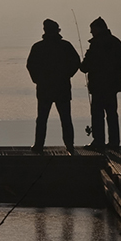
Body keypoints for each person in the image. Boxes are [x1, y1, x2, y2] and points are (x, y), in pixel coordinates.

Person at [27, 19, 81, 154]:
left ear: (45, 30)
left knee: (42, 119)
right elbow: (76, 62)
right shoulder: (65, 46)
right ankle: (69, 146)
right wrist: (67, 75)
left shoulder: (38, 47)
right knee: (65, 118)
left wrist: (37, 79)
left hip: (44, 88)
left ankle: (39, 145)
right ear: (57, 30)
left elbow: (30, 65)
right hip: (62, 87)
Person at [79, 17, 121, 150]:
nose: (91, 33)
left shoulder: (97, 44)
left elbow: (85, 67)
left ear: (98, 29)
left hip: (99, 85)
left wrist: (84, 61)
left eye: (92, 31)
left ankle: (98, 141)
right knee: (112, 114)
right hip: (112, 85)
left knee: (98, 114)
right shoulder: (116, 42)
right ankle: (114, 142)